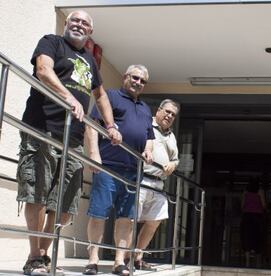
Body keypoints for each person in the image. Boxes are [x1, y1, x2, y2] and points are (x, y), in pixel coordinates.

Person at [16, 10, 122, 276]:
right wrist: (68, 97)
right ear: (67, 23)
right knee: (38, 194)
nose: (79, 25)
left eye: (85, 23)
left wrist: (110, 125)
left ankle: (44, 255)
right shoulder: (51, 41)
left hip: (73, 139)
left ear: (90, 32)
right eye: (75, 20)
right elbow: (43, 69)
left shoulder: (89, 60)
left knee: (63, 206)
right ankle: (34, 258)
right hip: (44, 129)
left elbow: (101, 96)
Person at [83, 64, 154, 276]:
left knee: (127, 218)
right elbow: (92, 125)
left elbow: (149, 136)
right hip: (108, 167)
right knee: (99, 214)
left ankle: (119, 261)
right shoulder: (110, 97)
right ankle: (93, 260)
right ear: (125, 77)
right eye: (135, 78)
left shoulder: (145, 108)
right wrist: (94, 154)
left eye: (142, 81)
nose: (138, 82)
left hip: (133, 171)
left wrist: (148, 151)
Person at [125, 99, 180, 271]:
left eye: (173, 115)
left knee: (155, 221)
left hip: (159, 184)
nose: (169, 116)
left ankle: (137, 257)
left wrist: (173, 165)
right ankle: (125, 258)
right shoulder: (146, 125)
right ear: (159, 110)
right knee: (131, 220)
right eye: (167, 112)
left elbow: (175, 158)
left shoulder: (171, 136)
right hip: (141, 178)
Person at [240, 177, 266, 267]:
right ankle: (257, 262)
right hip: (257, 216)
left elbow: (242, 205)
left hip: (247, 216)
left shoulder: (245, 192)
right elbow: (264, 205)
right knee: (258, 237)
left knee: (246, 236)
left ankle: (247, 262)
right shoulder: (260, 191)